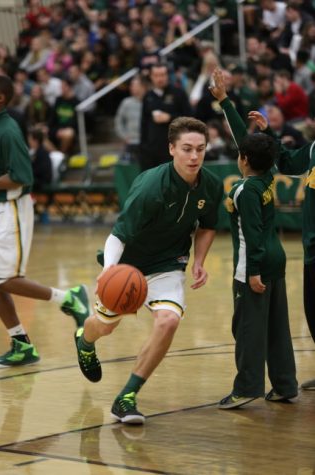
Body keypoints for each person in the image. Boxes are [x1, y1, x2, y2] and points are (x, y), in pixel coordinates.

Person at [74, 116, 224, 424]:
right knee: (104, 326)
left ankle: (127, 396)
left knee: (168, 321)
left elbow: (208, 226)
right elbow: (119, 233)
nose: (194, 156)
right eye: (186, 149)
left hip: (168, 265)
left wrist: (198, 261)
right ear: (171, 149)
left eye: (200, 149)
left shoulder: (210, 183)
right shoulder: (150, 186)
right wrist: (110, 272)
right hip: (129, 264)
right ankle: (84, 341)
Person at [209, 67, 298, 409]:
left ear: (244, 160)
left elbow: (250, 235)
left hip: (254, 264)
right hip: (277, 257)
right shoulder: (269, 173)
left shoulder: (244, 189)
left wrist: (252, 272)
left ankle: (247, 387)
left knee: (247, 327)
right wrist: (225, 103)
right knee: (277, 326)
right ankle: (285, 384)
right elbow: (247, 143)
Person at [0, 75, 90, 366]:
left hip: (11, 209)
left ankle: (70, 298)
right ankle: (21, 344)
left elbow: (21, 177)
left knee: (6, 278)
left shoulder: (8, 131)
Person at [244, 90, 315, 392]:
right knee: (313, 311)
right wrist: (269, 133)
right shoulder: (313, 151)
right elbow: (286, 162)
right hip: (312, 250)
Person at [140, 62, 192, 171]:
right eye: (156, 75)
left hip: (174, 148)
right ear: (151, 77)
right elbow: (144, 123)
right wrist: (143, 146)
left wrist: (170, 117)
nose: (160, 78)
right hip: (152, 149)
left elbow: (190, 117)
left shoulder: (178, 93)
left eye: (163, 75)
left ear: (168, 76)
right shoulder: (148, 96)